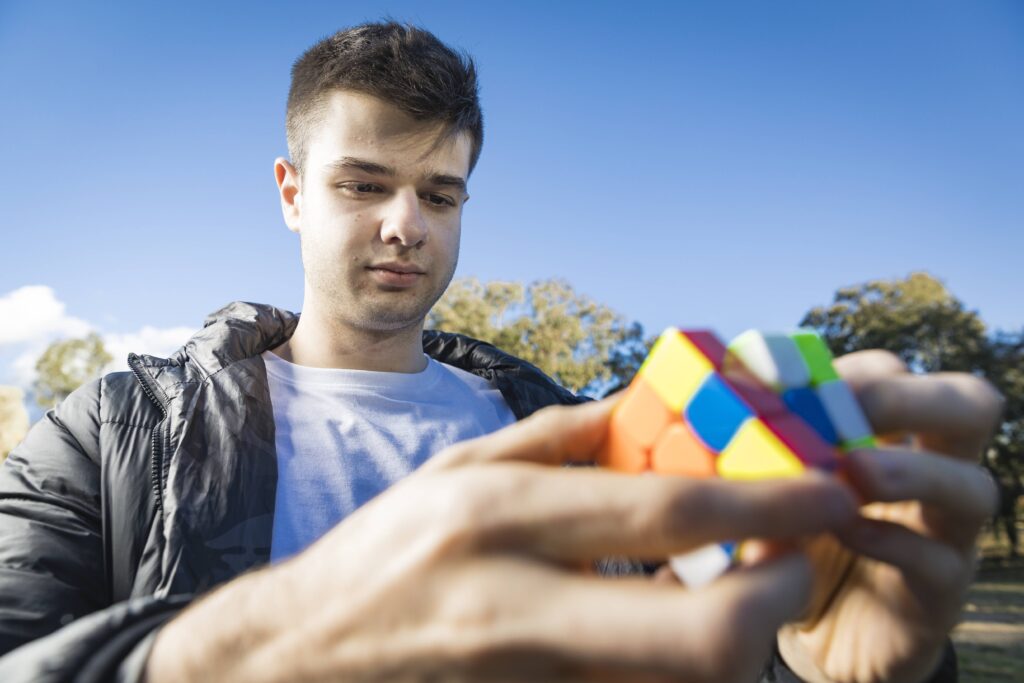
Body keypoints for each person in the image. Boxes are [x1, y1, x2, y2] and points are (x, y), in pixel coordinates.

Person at [0, 21, 1002, 683]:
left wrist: (820, 665)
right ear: (291, 191)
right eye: (362, 183)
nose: (406, 223)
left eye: (439, 193)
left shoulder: (584, 440)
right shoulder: (110, 431)